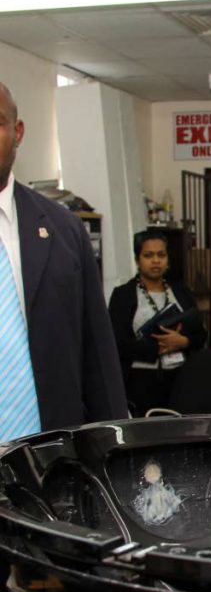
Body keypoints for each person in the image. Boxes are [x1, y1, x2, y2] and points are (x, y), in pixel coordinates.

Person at [0, 81, 127, 438]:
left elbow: (97, 354)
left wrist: (115, 447)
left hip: (51, 456)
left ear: (17, 131)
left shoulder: (63, 229)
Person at [108, 230, 207, 416]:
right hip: (140, 380)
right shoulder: (123, 295)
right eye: (148, 255)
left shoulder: (182, 292)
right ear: (138, 260)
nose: (156, 260)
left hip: (180, 377)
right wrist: (158, 347)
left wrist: (183, 342)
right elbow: (116, 342)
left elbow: (201, 335)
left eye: (161, 255)